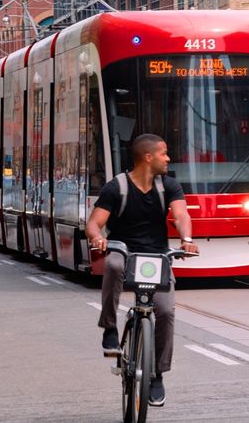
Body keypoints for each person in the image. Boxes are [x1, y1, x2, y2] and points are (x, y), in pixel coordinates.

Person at [85, 134, 197, 407]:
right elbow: (93, 224)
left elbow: (181, 215)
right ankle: (110, 328)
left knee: (167, 311)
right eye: (164, 153)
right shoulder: (117, 188)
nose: (168, 159)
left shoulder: (168, 186)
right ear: (148, 157)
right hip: (124, 250)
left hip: (157, 256)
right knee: (112, 263)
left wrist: (187, 240)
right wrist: (98, 238)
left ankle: (157, 374)